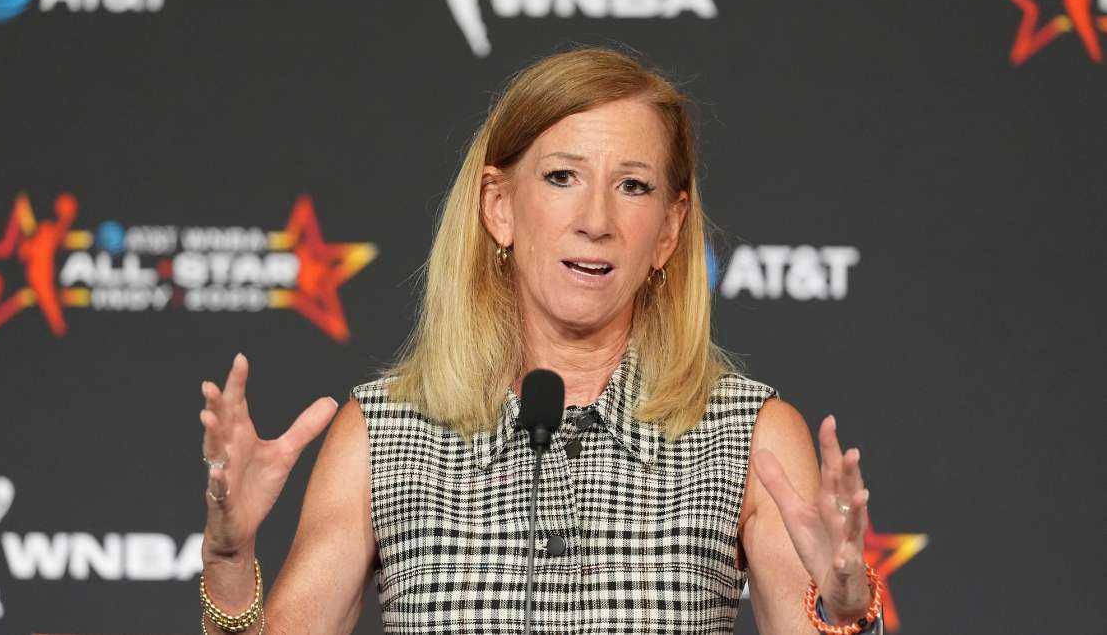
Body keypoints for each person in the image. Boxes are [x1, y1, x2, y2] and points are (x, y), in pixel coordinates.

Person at [195, 48, 881, 634]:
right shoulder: (386, 434)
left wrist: (847, 614)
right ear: (499, 207)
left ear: (669, 232)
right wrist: (229, 562)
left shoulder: (748, 437)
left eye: (633, 186)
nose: (596, 220)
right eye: (562, 177)